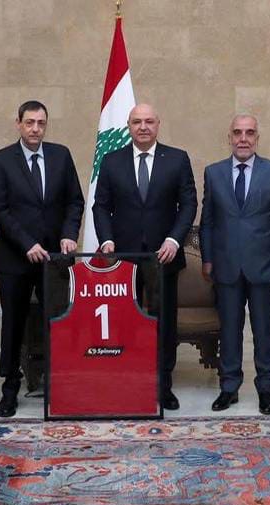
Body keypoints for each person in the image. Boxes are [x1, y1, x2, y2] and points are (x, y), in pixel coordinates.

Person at [93, 103, 197, 411]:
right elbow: (101, 206)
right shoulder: (112, 161)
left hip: (164, 256)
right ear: (128, 126)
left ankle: (163, 384)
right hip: (123, 258)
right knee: (126, 322)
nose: (143, 127)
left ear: (158, 124)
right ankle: (129, 380)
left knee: (164, 323)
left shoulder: (177, 159)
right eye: (137, 122)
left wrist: (174, 240)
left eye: (149, 121)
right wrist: (107, 239)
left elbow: (188, 204)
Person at [0, 100, 85, 417]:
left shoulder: (61, 155)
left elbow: (75, 201)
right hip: (15, 258)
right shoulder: (1, 160)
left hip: (55, 258)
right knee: (13, 325)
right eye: (29, 122)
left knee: (59, 322)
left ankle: (62, 384)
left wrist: (69, 233)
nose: (35, 129)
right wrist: (27, 243)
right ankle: (10, 387)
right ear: (18, 123)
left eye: (41, 123)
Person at [199, 114, 270, 415]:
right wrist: (208, 259)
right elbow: (208, 222)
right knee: (229, 330)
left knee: (264, 331)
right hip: (226, 266)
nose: (243, 138)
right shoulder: (213, 173)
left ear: (257, 138)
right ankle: (229, 387)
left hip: (264, 265)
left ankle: (265, 389)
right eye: (237, 132)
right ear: (229, 137)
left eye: (249, 133)